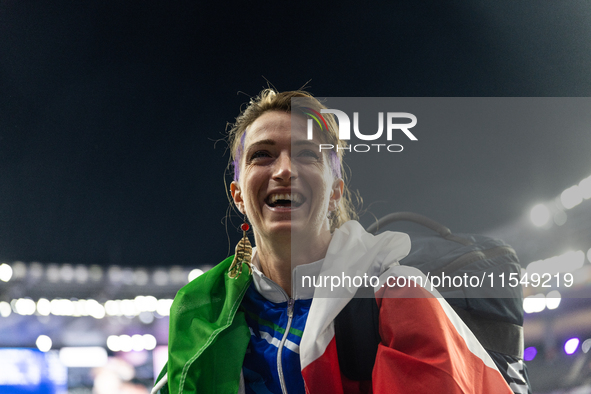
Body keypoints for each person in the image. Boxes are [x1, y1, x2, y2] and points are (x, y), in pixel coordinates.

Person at [151, 90, 514, 394]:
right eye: (262, 154)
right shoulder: (202, 311)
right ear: (238, 195)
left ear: (336, 191)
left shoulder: (396, 297)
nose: (284, 170)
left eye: (307, 154)